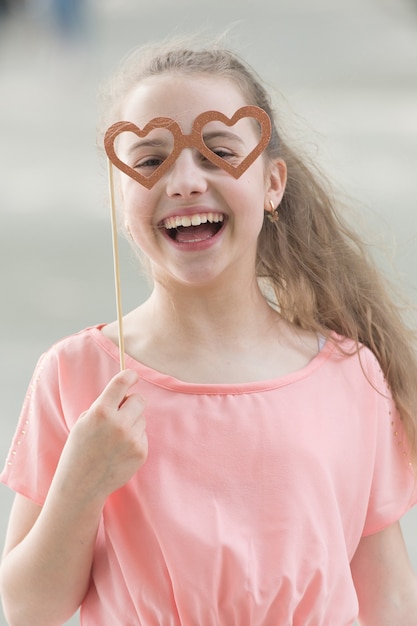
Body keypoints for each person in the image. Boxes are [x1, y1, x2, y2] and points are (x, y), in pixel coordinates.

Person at [1, 37, 417, 626]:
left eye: (219, 151)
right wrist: (79, 487)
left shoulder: (350, 376)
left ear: (272, 184)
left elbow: (391, 599)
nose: (187, 181)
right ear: (121, 198)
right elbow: (28, 610)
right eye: (149, 161)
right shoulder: (78, 376)